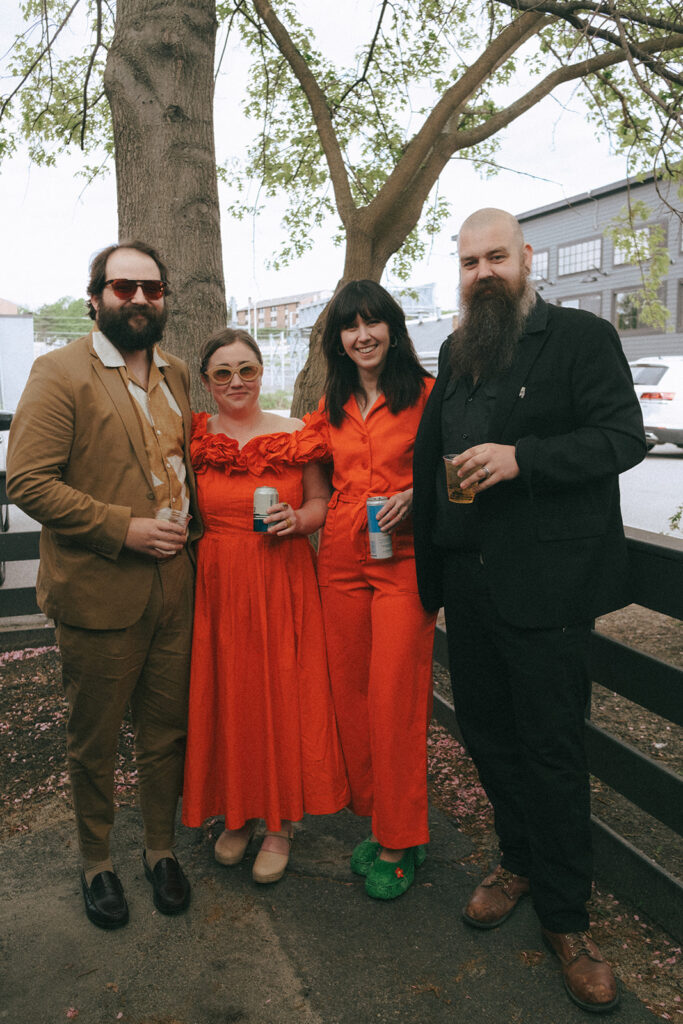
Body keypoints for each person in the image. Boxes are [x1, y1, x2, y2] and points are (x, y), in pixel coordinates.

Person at [412, 208, 646, 1012]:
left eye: (495, 257)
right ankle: (516, 860)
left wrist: (523, 459)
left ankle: (566, 919)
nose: (482, 273)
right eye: (469, 260)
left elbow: (621, 438)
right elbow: (433, 452)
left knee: (550, 751)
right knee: (485, 733)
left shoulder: (580, 339)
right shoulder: (454, 350)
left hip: (545, 591)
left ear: (527, 259)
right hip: (469, 585)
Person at [7, 241, 199, 929]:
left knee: (164, 731)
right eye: (124, 288)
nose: (140, 300)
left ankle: (158, 850)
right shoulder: (59, 372)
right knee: (93, 740)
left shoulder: (176, 373)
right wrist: (123, 528)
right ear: (96, 297)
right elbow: (26, 481)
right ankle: (97, 863)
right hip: (98, 591)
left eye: (152, 288)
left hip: (176, 589)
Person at [181, 328, 349, 884]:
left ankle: (281, 822)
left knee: (281, 692)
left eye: (246, 369)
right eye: (223, 372)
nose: (236, 382)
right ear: (206, 382)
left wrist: (299, 520)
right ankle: (240, 810)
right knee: (231, 694)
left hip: (280, 579)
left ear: (261, 373)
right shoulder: (196, 437)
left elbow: (323, 501)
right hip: (219, 585)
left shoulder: (298, 433)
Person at [303, 280, 437, 900]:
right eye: (349, 327)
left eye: (373, 323)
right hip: (341, 558)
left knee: (394, 698)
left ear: (393, 328)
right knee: (352, 698)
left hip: (404, 559)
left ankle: (401, 839)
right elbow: (309, 480)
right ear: (337, 340)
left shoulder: (430, 397)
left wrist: (422, 495)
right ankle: (383, 822)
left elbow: (457, 469)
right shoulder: (327, 406)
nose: (363, 336)